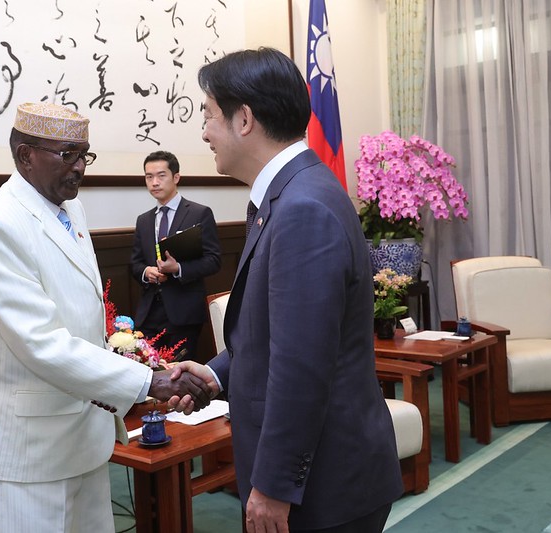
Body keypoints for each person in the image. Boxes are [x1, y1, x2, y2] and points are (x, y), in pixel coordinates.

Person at [170, 48, 403, 532]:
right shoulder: (292, 194)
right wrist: (215, 375)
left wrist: (274, 486)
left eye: (209, 114)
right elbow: (280, 333)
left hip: (322, 488)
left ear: (246, 119)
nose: (204, 131)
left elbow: (303, 366)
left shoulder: (302, 209)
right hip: (321, 476)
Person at [0, 102, 212, 532]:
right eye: (67, 155)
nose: (79, 168)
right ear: (25, 156)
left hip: (85, 438)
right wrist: (150, 381)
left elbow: (82, 317)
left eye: (85, 156)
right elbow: (41, 343)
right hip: (29, 452)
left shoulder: (69, 208)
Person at [130, 150, 222, 361]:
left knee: (179, 377)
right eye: (148, 176)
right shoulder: (143, 220)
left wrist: (178, 269)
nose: (154, 182)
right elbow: (135, 264)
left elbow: (214, 260)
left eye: (161, 175)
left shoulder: (199, 213)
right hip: (149, 313)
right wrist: (147, 272)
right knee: (150, 372)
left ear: (176, 177)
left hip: (184, 313)